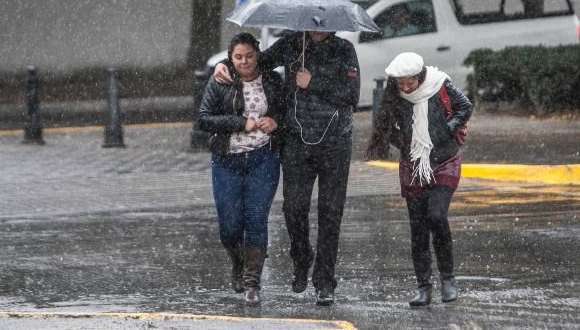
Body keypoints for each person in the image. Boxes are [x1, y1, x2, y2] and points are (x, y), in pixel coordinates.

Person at [214, 30, 360, 306]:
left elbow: (351, 96)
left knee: (330, 212)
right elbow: (258, 60)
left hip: (335, 143)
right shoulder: (294, 42)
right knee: (294, 208)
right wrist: (225, 63)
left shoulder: (344, 49)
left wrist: (313, 82)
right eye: (313, 24)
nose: (318, 29)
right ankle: (301, 257)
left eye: (324, 25)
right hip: (297, 142)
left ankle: (325, 282)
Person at [366, 52, 472, 307]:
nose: (405, 87)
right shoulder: (393, 93)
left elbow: (465, 107)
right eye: (401, 83)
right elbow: (384, 126)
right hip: (412, 164)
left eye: (409, 82)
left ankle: (448, 279)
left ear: (421, 75)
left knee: (437, 216)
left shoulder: (439, 83)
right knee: (418, 229)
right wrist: (403, 141)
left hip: (445, 160)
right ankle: (424, 287)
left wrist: (446, 130)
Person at [197, 32, 286, 306]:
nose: (244, 61)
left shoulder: (272, 79)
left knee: (256, 219)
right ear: (230, 57)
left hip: (263, 158)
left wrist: (275, 121)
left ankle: (252, 284)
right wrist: (240, 122)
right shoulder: (221, 79)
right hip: (227, 161)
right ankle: (237, 262)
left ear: (258, 54)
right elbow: (204, 119)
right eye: (238, 57)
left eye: (249, 55)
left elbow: (286, 109)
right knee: (230, 226)